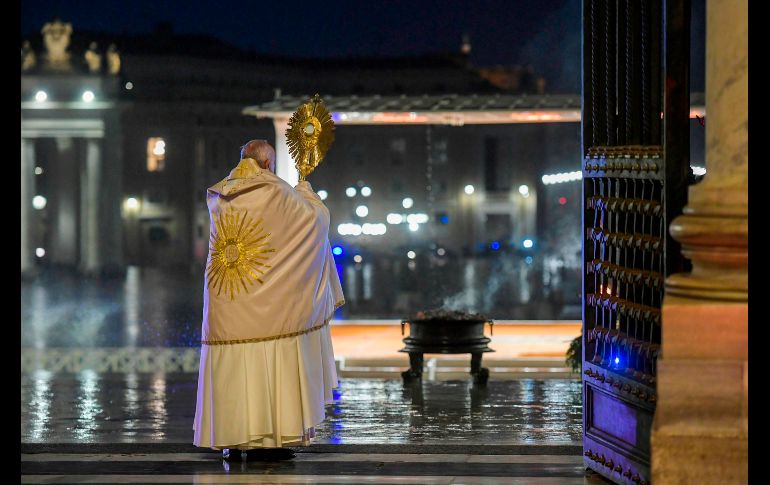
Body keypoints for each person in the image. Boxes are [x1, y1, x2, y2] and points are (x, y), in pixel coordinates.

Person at [193, 139, 344, 461]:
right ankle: (269, 442)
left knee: (232, 372)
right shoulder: (275, 191)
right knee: (271, 367)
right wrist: (306, 191)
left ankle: (231, 442)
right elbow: (314, 222)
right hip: (270, 308)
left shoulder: (219, 195)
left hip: (227, 304)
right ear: (267, 164)